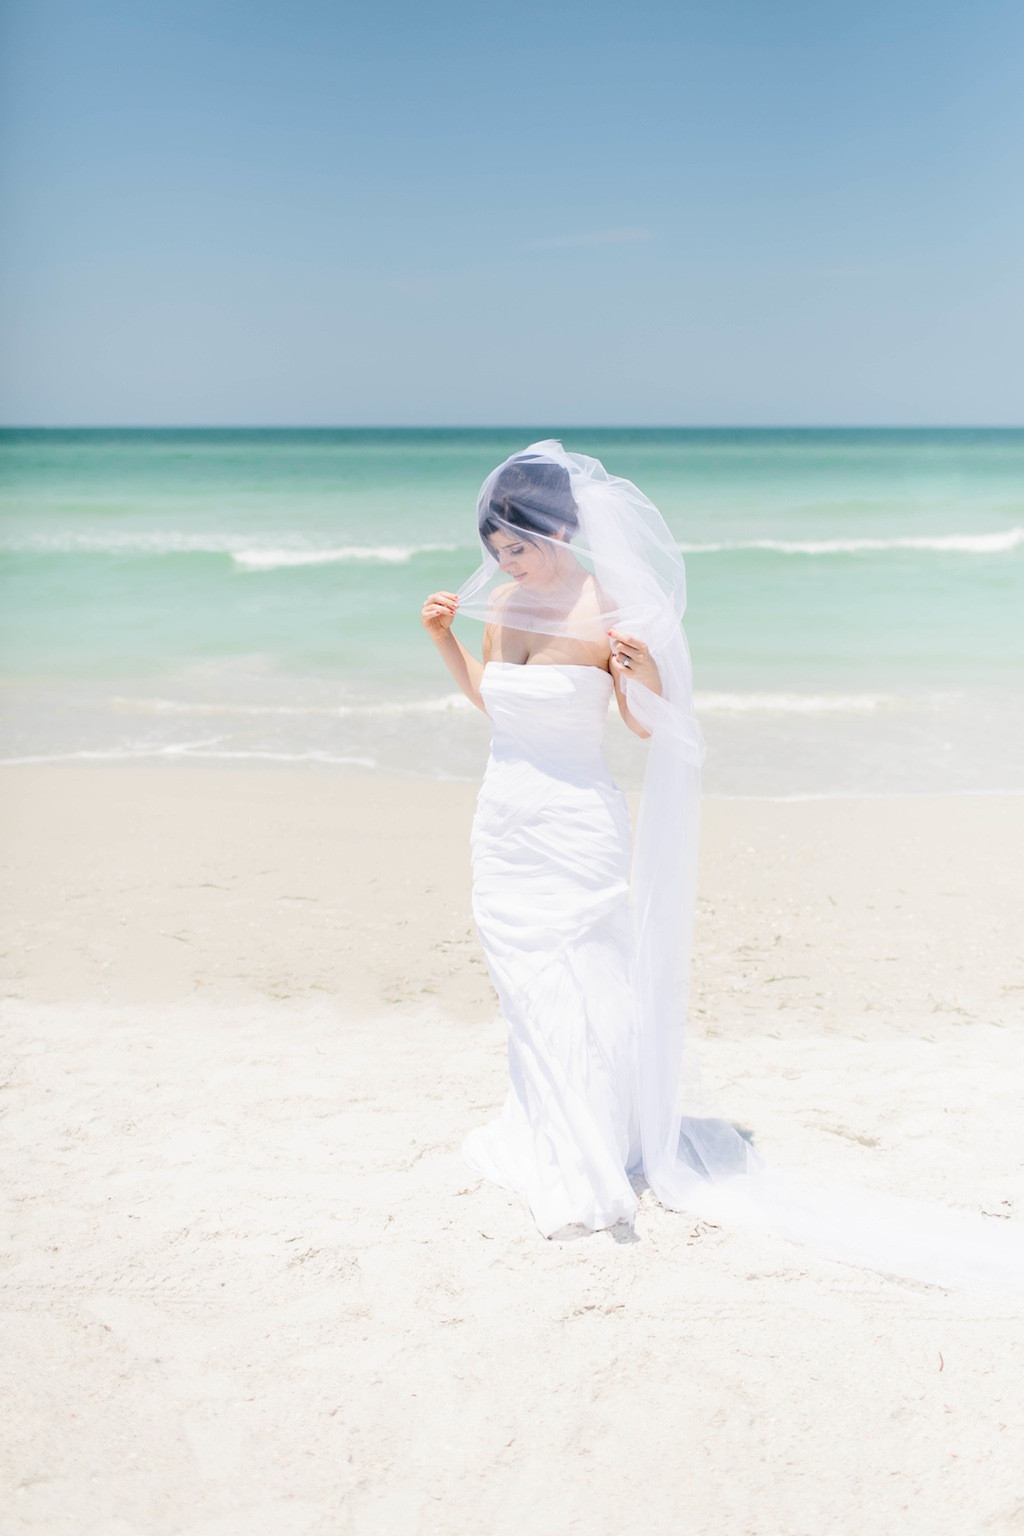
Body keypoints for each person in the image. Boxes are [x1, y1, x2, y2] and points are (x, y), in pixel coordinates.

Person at [421, 441, 1024, 1292]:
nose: (502, 562)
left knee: (582, 973)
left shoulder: (610, 608)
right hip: (504, 815)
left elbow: (643, 726)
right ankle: (546, 1127)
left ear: (557, 529)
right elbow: (496, 703)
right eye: (493, 550)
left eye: (514, 545)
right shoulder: (507, 607)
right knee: (520, 974)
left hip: (575, 820)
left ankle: (591, 1143)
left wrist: (649, 672)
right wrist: (445, 641)